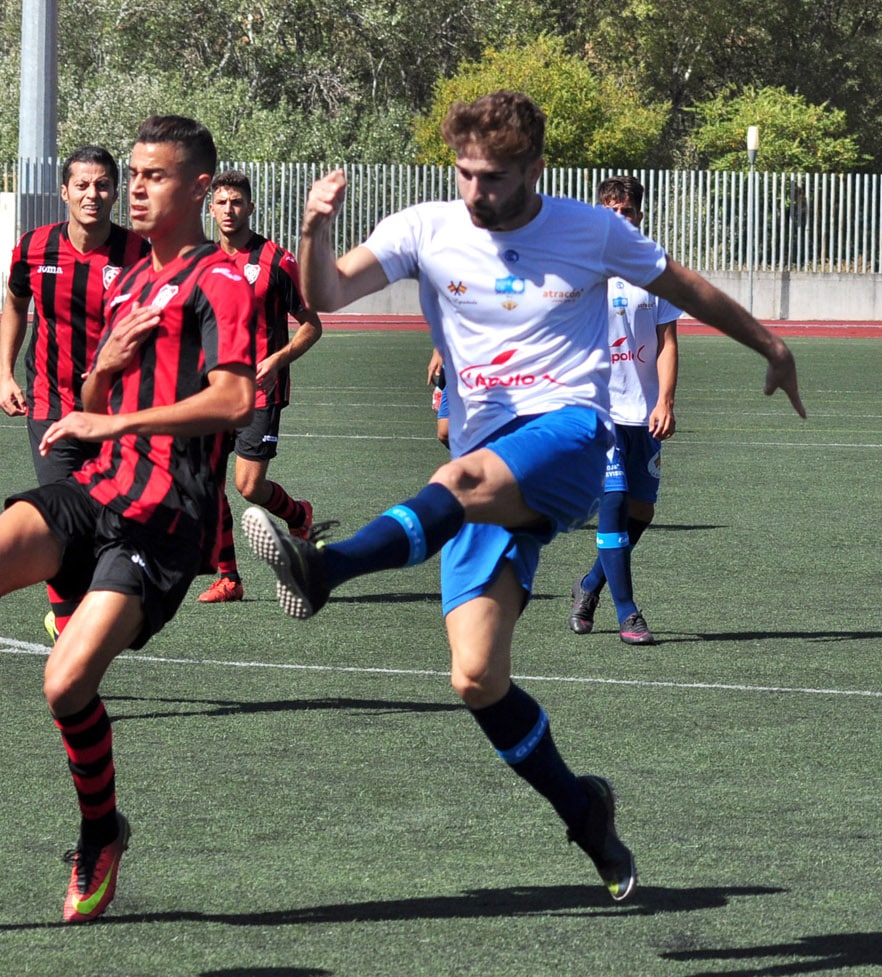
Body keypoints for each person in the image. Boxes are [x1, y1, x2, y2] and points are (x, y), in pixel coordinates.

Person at [242, 90, 805, 904]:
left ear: (534, 167)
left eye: (496, 176)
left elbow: (684, 288)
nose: (478, 191)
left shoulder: (590, 228)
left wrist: (773, 342)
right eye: (466, 173)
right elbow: (326, 293)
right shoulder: (424, 228)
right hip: (484, 462)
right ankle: (587, 814)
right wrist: (314, 230)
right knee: (475, 677)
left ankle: (324, 571)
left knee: (457, 481)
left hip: (571, 435)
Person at [0, 115, 256, 924]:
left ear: (197, 189)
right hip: (100, 488)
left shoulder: (223, 281)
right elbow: (95, 407)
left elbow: (235, 397)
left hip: (164, 519)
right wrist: (100, 382)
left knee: (65, 681)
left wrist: (110, 421)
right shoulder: (135, 282)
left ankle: (101, 832)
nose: (133, 188)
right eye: (131, 174)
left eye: (151, 176)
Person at [0, 146, 151, 638]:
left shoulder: (139, 253)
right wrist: (4, 374)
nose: (92, 194)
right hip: (50, 405)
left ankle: (92, 610)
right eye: (82, 185)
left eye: (102, 184)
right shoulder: (33, 248)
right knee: (59, 520)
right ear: (64, 192)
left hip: (118, 412)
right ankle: (69, 628)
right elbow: (15, 305)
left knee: (113, 521)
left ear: (115, 193)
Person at [197, 169, 325, 603]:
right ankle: (229, 577)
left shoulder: (276, 259)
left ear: (250, 207)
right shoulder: (200, 261)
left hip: (261, 392)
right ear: (210, 208)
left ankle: (298, 513)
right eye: (221, 202)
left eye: (237, 202)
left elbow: (312, 326)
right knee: (207, 484)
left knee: (249, 486)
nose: (229, 210)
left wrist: (278, 358)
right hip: (211, 392)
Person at [568, 175, 681, 645]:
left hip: (644, 411)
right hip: (600, 408)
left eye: (627, 211)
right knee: (613, 503)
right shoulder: (580, 266)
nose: (618, 218)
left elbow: (668, 342)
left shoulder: (655, 267)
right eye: (609, 210)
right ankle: (628, 613)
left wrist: (665, 400)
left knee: (642, 511)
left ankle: (590, 584)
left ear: (639, 215)